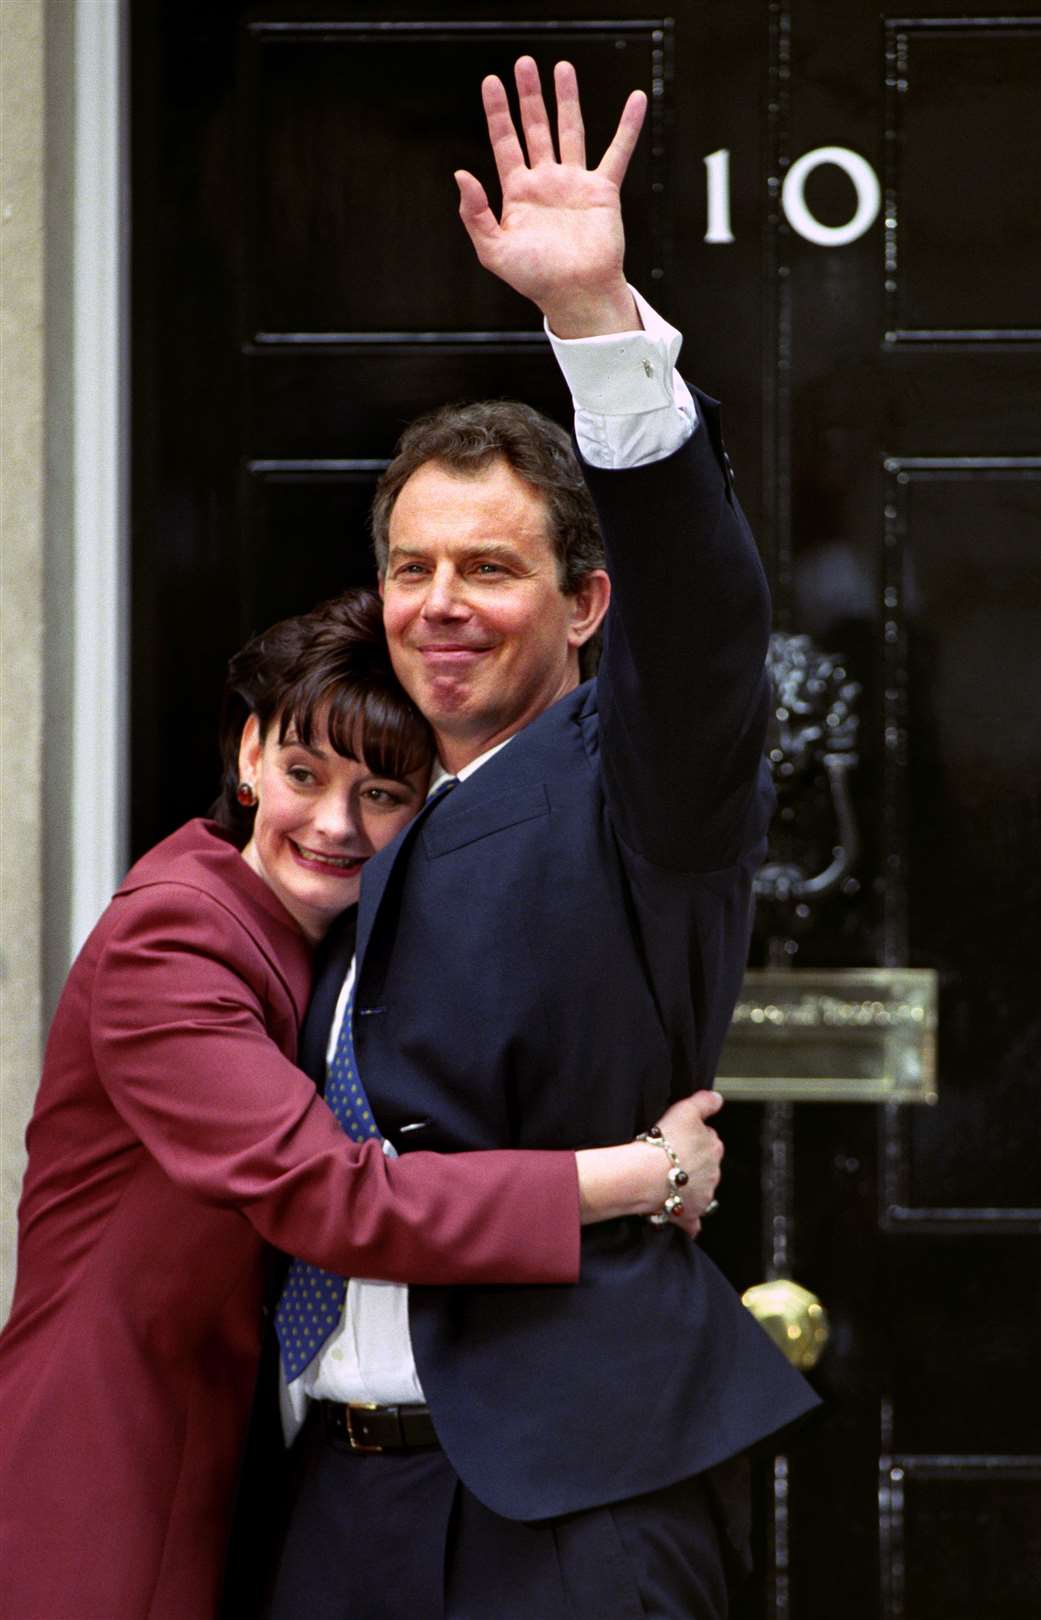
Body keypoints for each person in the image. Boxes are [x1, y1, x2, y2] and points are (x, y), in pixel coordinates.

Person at [265, 58, 819, 1620]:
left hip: (566, 1509)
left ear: (583, 603)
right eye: (411, 566)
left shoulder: (645, 780)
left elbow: (706, 623)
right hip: (335, 1496)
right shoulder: (345, 814)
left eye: (490, 568)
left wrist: (593, 322)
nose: (440, 603)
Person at [0, 588, 724, 1620]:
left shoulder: (336, 940)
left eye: (382, 792)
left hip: (263, 1471)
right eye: (303, 775)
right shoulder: (172, 941)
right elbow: (335, 1200)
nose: (335, 824)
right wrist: (641, 1174)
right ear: (248, 758)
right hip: (112, 1458)